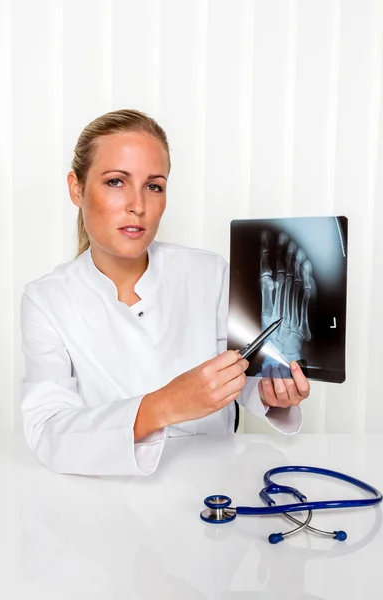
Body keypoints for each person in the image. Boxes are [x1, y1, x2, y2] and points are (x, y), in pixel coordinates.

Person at [20, 109, 310, 476]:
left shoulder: (209, 273)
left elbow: (244, 376)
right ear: (76, 188)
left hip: (212, 490)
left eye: (154, 186)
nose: (138, 206)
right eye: (115, 182)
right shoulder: (46, 300)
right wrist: (164, 406)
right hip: (105, 500)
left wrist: (272, 396)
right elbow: (48, 432)